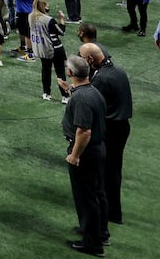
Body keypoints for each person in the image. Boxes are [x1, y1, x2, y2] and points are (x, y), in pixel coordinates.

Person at [80, 43, 132, 226]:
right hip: (122, 126)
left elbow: (92, 102)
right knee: (114, 171)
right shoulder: (118, 70)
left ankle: (105, 213)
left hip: (110, 129)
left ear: (90, 60)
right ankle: (114, 212)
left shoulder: (101, 78)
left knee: (101, 174)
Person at [63, 55, 109, 255]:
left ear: (71, 73)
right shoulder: (92, 92)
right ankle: (100, 233)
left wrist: (75, 155)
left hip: (85, 152)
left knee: (87, 198)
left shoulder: (81, 98)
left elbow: (84, 131)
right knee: (97, 194)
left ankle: (92, 243)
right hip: (97, 149)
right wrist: (70, 89)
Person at [29, 0, 68, 102]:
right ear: (43, 7)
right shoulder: (48, 19)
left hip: (42, 48)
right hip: (54, 48)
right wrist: (62, 19)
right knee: (60, 72)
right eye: (47, 6)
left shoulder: (30, 17)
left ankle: (46, 93)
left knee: (46, 71)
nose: (48, 7)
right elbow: (61, 31)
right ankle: (65, 96)